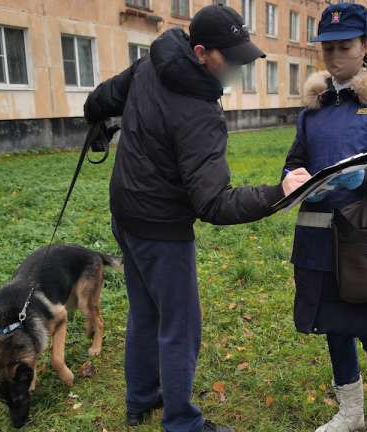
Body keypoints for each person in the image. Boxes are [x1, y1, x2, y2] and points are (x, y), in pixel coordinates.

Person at [83, 5, 310, 432]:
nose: (241, 66)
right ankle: (182, 423)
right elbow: (214, 204)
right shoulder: (200, 111)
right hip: (161, 228)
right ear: (202, 51)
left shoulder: (152, 62)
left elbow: (105, 95)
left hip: (126, 213)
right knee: (179, 328)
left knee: (145, 313)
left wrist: (92, 114)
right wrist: (277, 194)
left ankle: (140, 401)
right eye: (234, 58)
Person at [281, 3, 367, 432]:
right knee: (334, 330)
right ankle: (349, 413)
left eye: (344, 47)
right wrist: (292, 179)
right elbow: (292, 163)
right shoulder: (313, 109)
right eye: (327, 49)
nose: (335, 57)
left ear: (365, 47)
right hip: (318, 242)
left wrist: (361, 178)